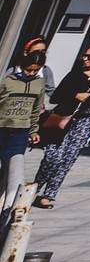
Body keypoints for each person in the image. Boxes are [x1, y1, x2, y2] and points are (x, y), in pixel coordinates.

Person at [32, 44, 90, 209]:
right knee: (53, 157)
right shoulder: (75, 74)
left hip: (85, 122)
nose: (85, 59)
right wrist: (75, 95)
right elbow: (56, 96)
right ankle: (34, 189)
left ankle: (48, 195)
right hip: (62, 118)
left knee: (67, 160)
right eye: (84, 56)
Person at [0, 46, 45, 208]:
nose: (31, 73)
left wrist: (33, 131)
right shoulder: (8, 81)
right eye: (28, 69)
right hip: (2, 127)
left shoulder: (39, 84)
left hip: (21, 131)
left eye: (35, 70)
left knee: (12, 164)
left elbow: (36, 110)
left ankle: (6, 200)